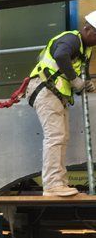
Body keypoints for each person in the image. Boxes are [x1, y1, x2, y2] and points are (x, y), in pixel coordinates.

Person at [26, 13, 96, 197]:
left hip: (56, 95)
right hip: (45, 90)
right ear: (87, 29)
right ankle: (52, 184)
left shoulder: (86, 50)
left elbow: (82, 77)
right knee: (55, 136)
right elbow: (60, 55)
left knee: (61, 137)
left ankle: (59, 182)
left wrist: (86, 84)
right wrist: (75, 81)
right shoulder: (71, 39)